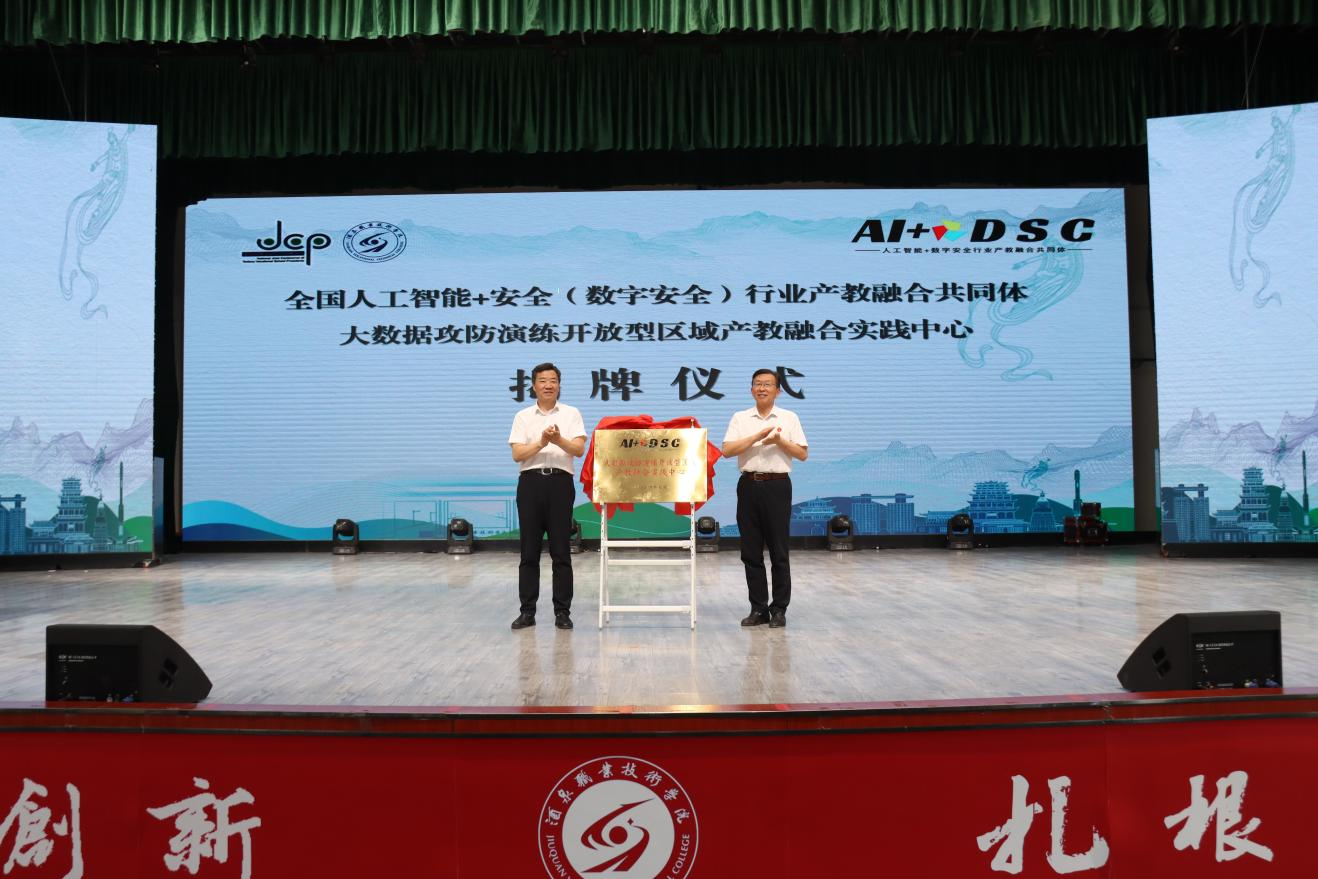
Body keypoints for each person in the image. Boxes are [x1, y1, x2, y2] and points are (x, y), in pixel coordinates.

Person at [721, 369, 809, 628]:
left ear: (777, 391)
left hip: (777, 486)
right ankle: (758, 609)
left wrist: (779, 440)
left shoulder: (789, 417)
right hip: (748, 485)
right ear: (751, 389)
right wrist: (757, 437)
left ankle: (779, 609)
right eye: (758, 384)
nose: (762, 388)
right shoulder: (740, 417)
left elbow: (802, 454)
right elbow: (727, 450)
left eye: (768, 384)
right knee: (750, 551)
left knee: (779, 551)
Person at [507, 363, 586, 631]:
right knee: (529, 552)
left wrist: (558, 439)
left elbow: (578, 449)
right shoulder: (523, 416)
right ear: (533, 385)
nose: (548, 385)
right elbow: (517, 454)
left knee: (561, 552)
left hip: (560, 484)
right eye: (542, 380)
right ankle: (527, 612)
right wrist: (542, 442)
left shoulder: (572, 413)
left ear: (559, 385)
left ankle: (562, 612)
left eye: (553, 380)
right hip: (530, 484)